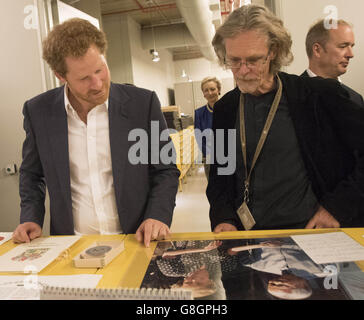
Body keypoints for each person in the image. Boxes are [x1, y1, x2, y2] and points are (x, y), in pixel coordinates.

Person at [12, 18, 180, 247]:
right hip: (71, 247)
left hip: (136, 240)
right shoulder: (38, 111)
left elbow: (166, 169)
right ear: (61, 76)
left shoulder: (142, 104)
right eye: (83, 78)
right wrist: (30, 216)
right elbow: (32, 174)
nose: (98, 84)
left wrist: (157, 215)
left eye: (100, 70)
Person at [207, 4, 364, 233]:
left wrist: (336, 208)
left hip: (310, 234)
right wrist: (224, 218)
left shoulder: (319, 96)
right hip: (249, 238)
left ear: (273, 52)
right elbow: (221, 173)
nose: (242, 70)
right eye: (234, 60)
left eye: (253, 60)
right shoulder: (226, 108)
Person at [303, 19, 364, 106]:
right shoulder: (291, 96)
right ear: (317, 50)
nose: (351, 54)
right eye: (343, 46)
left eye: (351, 46)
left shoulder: (356, 99)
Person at [194, 77, 222, 179]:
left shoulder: (229, 108)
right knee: (213, 188)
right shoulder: (199, 113)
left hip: (230, 155)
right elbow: (199, 137)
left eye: (213, 89)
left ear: (218, 90)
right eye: (206, 90)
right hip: (209, 157)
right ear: (203, 93)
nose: (210, 93)